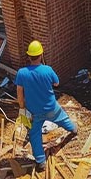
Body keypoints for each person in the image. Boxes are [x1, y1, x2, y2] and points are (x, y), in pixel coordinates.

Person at [16, 40, 77, 171]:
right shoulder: (47, 70)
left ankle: (41, 161)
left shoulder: (22, 73)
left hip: (34, 112)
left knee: (34, 135)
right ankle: (73, 129)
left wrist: (22, 108)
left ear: (29, 56)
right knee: (63, 119)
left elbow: (20, 94)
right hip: (51, 107)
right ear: (41, 55)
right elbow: (56, 83)